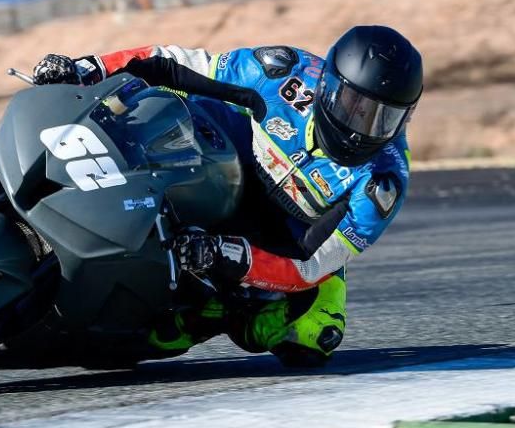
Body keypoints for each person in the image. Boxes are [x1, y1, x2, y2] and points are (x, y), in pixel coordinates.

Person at [31, 26, 422, 366]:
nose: (362, 128)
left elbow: (309, 264)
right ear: (327, 86)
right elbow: (176, 62)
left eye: (383, 117)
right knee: (158, 99)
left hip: (285, 232)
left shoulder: (381, 183)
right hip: (230, 158)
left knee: (307, 342)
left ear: (405, 117)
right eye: (355, 107)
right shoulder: (284, 74)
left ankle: (208, 314)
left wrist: (226, 256)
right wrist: (89, 68)